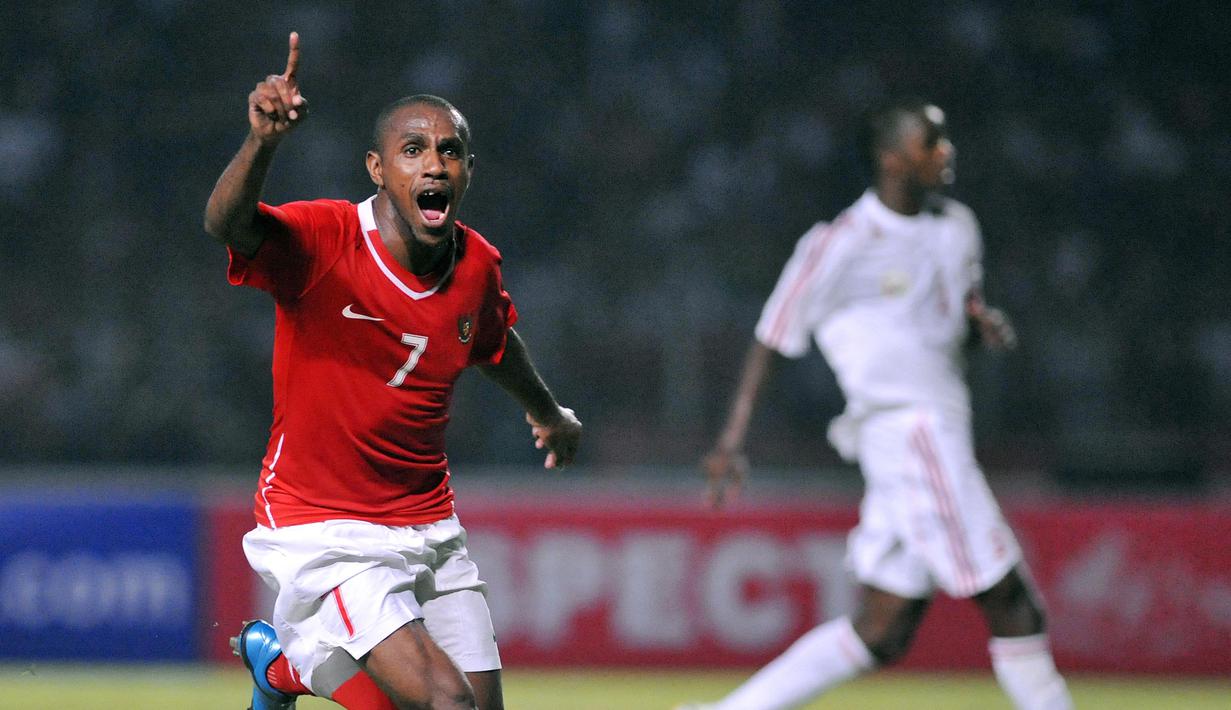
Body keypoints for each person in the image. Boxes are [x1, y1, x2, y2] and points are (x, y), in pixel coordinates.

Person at [204, 32, 581, 710]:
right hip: (324, 526)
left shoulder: (476, 266)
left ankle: (282, 668)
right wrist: (262, 143)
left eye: (449, 151)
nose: (434, 163)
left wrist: (548, 413)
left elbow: (494, 343)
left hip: (429, 523)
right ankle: (290, 664)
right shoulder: (326, 240)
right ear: (378, 169)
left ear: (468, 171)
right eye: (414, 150)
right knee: (444, 703)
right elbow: (228, 226)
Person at [689, 101, 1072, 710]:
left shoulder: (958, 227)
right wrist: (731, 442)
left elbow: (954, 317)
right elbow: (772, 337)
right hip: (911, 430)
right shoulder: (840, 243)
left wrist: (981, 327)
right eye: (930, 142)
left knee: (883, 627)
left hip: (936, 428)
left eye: (945, 140)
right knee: (1013, 604)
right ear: (892, 159)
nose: (945, 151)